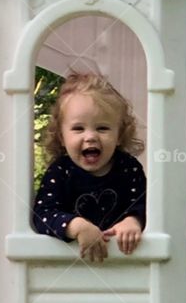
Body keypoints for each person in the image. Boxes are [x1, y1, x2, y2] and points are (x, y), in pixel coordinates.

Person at [32, 72, 146, 263]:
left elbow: (145, 204)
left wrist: (133, 221)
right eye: (78, 128)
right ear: (61, 137)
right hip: (71, 268)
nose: (91, 136)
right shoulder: (60, 171)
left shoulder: (128, 168)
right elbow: (43, 214)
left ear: (119, 135)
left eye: (102, 128)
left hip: (125, 266)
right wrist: (77, 227)